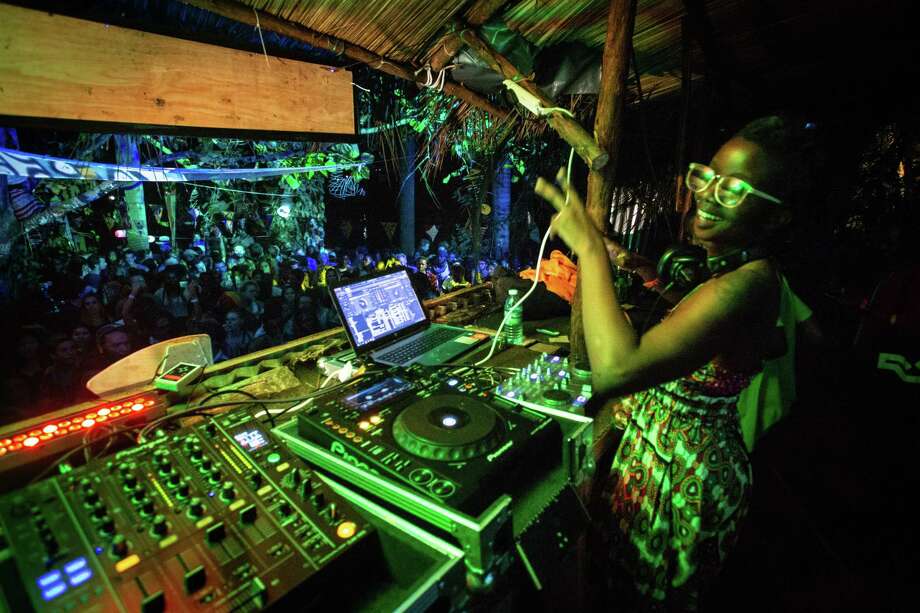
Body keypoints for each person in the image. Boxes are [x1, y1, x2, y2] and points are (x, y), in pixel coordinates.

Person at [535, 116, 798, 609]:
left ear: (778, 217)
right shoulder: (734, 273)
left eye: (735, 189)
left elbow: (616, 367)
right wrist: (637, 266)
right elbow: (706, 316)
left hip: (684, 477)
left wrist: (589, 247)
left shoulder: (748, 284)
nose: (708, 195)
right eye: (709, 177)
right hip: (656, 457)